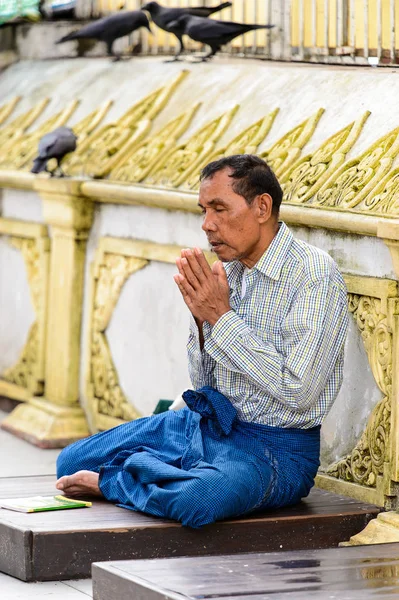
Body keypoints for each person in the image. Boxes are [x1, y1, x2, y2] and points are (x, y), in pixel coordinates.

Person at [56, 154, 348, 528]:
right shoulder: (227, 269)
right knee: (70, 461)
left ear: (262, 207)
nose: (207, 225)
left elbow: (299, 391)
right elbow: (204, 385)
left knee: (197, 500)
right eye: (203, 210)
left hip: (273, 450)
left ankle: (117, 482)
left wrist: (220, 319)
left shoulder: (314, 275)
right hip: (204, 425)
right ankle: (157, 471)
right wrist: (201, 322)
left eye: (219, 209)